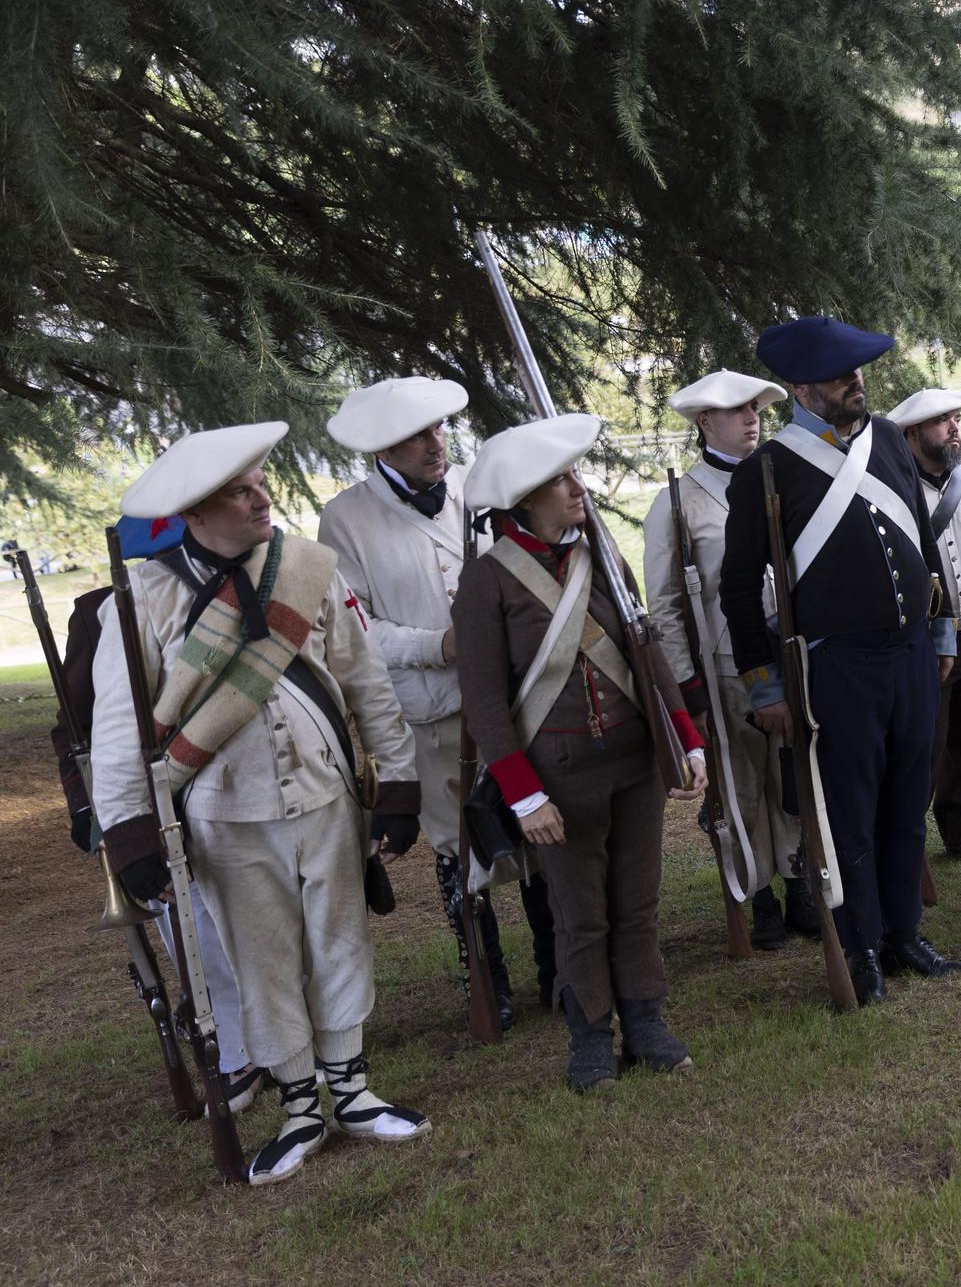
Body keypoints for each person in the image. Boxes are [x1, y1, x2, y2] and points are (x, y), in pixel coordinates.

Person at [92, 423, 430, 1184]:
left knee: (339, 937)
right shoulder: (141, 598)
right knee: (262, 960)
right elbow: (118, 730)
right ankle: (300, 1107)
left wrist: (398, 786)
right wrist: (132, 835)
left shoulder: (308, 567)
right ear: (197, 511)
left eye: (261, 485)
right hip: (223, 814)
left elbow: (365, 679)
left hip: (325, 794)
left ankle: (352, 1089)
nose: (262, 499)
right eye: (242, 492)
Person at [719, 317, 961, 1005]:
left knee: (905, 801)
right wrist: (764, 683)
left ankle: (903, 933)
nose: (856, 381)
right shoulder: (765, 471)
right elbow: (738, 590)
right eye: (839, 374)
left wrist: (942, 628)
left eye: (857, 370)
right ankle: (859, 946)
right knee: (848, 815)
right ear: (802, 388)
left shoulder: (888, 438)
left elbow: (921, 537)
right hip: (839, 666)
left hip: (911, 654)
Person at [455, 413, 708, 1088]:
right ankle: (592, 1032)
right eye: (561, 478)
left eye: (574, 474)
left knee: (637, 903)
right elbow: (482, 700)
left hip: (634, 762)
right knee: (580, 914)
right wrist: (523, 792)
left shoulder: (601, 552)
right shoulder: (487, 580)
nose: (577, 487)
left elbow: (644, 650)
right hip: (556, 779)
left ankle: (646, 1017)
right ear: (525, 495)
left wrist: (687, 738)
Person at [319, 377, 541, 1026]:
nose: (435, 442)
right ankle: (484, 974)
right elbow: (356, 629)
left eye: (439, 429)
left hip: (507, 694)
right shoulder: (345, 519)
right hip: (433, 709)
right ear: (383, 446)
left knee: (534, 827)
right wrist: (438, 644)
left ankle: (558, 962)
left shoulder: (477, 486)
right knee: (457, 848)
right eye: (418, 434)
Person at [50, 515, 267, 1114]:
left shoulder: (255, 582)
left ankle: (283, 1044)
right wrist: (95, 813)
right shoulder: (105, 613)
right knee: (193, 932)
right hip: (157, 802)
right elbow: (77, 729)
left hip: (241, 788)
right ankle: (235, 1055)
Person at [644, 370, 812, 952]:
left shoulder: (782, 478)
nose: (751, 418)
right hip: (722, 663)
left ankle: (800, 882)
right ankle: (757, 893)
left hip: (788, 649)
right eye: (735, 410)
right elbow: (664, 604)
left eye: (755, 409)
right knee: (740, 785)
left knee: (793, 773)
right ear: (702, 423)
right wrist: (685, 683)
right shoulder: (678, 502)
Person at [885, 388, 961, 865]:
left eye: (955, 419)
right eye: (941, 422)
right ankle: (905, 835)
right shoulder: (891, 490)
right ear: (911, 434)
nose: (954, 428)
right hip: (924, 639)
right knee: (924, 743)